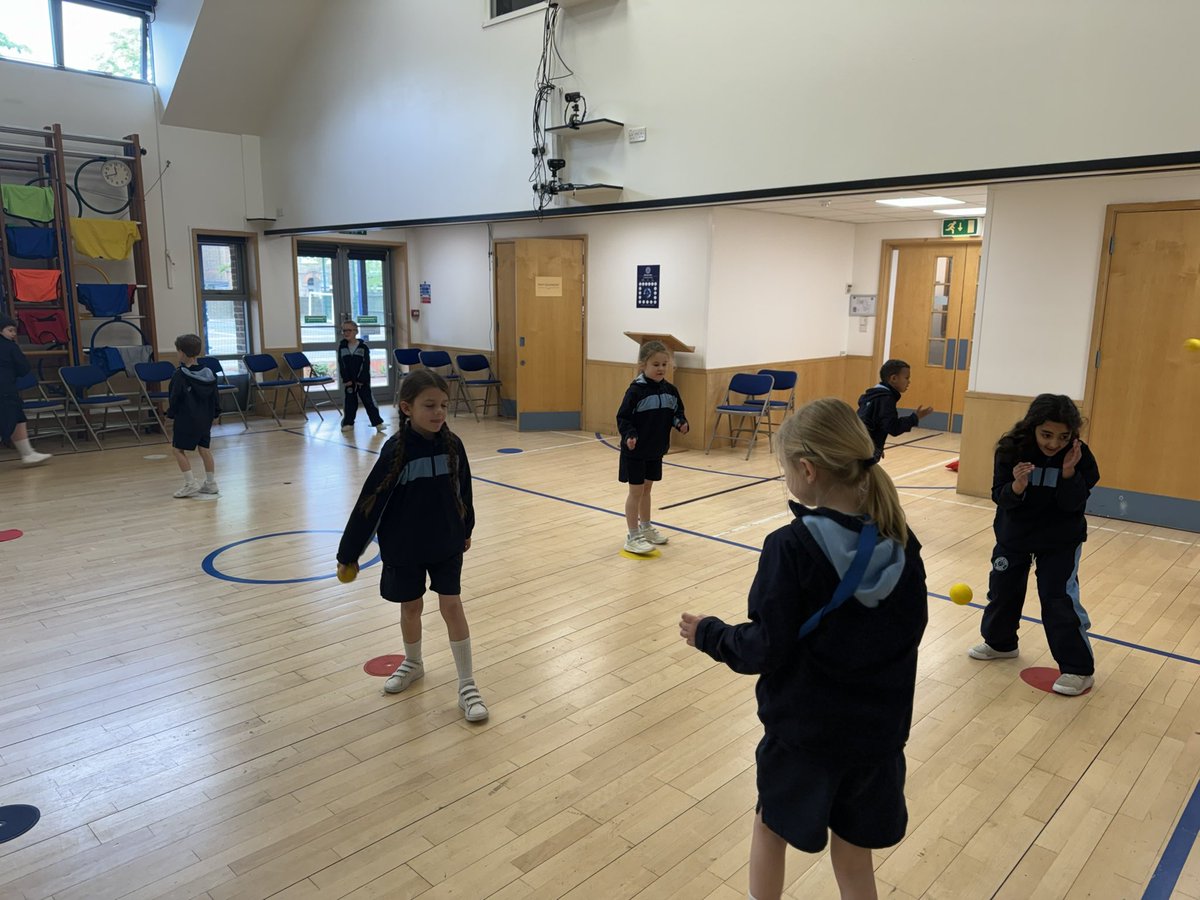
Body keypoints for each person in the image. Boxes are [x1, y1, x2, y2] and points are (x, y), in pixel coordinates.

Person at [679, 398, 928, 900]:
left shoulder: (789, 548)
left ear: (808, 470)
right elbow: (909, 634)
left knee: (770, 831)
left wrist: (710, 632)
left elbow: (765, 647)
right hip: (878, 739)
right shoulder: (903, 542)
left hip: (806, 737)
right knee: (855, 855)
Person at [337, 369, 487, 722]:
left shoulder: (454, 445)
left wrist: (466, 527)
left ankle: (467, 684)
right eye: (429, 405)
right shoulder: (395, 452)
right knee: (411, 608)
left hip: (446, 541)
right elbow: (368, 504)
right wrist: (349, 553)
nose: (438, 413)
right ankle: (414, 663)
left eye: (444, 406)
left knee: (452, 605)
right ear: (407, 407)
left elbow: (463, 489)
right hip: (405, 545)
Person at [967, 393, 1100, 696]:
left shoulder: (1080, 455)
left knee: (1057, 599)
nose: (1054, 443)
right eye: (1047, 435)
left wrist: (1068, 474)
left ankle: (1077, 669)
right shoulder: (1011, 449)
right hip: (1015, 537)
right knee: (1003, 590)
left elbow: (1075, 504)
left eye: (1063, 436)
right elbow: (1000, 496)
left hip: (1060, 540)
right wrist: (1016, 486)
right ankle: (1000, 644)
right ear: (1033, 427)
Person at [616, 340, 689, 555]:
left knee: (647, 489)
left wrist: (681, 423)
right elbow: (623, 418)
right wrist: (629, 435)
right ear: (643, 366)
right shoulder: (635, 392)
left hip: (656, 450)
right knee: (636, 491)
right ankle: (632, 535)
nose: (661, 368)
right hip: (636, 451)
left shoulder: (671, 391)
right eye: (655, 364)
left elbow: (677, 413)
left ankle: (646, 527)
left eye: (664, 364)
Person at [167, 333, 220, 498]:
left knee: (178, 450)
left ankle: (190, 483)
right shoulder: (209, 373)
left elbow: (174, 398)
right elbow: (215, 397)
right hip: (205, 418)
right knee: (204, 449)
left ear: (182, 352)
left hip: (186, 418)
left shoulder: (180, 375)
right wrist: (215, 414)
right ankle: (211, 483)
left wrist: (171, 414)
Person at [856, 358, 934, 459]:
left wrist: (877, 444)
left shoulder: (873, 395)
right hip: (865, 450)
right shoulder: (886, 399)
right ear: (893, 379)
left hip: (859, 445)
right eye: (906, 378)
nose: (909, 382)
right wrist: (915, 418)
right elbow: (893, 427)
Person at [0, 314, 51, 465]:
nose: (13, 334)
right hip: (5, 389)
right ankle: (27, 453)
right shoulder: (10, 346)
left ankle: (27, 453)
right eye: (10, 330)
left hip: (6, 389)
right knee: (9, 420)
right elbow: (24, 368)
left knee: (18, 418)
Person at [338, 320, 386, 433]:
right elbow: (342, 364)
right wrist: (346, 379)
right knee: (350, 403)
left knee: (368, 401)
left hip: (362, 381)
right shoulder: (342, 347)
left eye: (349, 330)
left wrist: (361, 379)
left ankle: (377, 422)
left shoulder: (363, 347)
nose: (346, 333)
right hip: (349, 382)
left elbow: (366, 365)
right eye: (344, 330)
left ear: (355, 331)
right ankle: (348, 423)